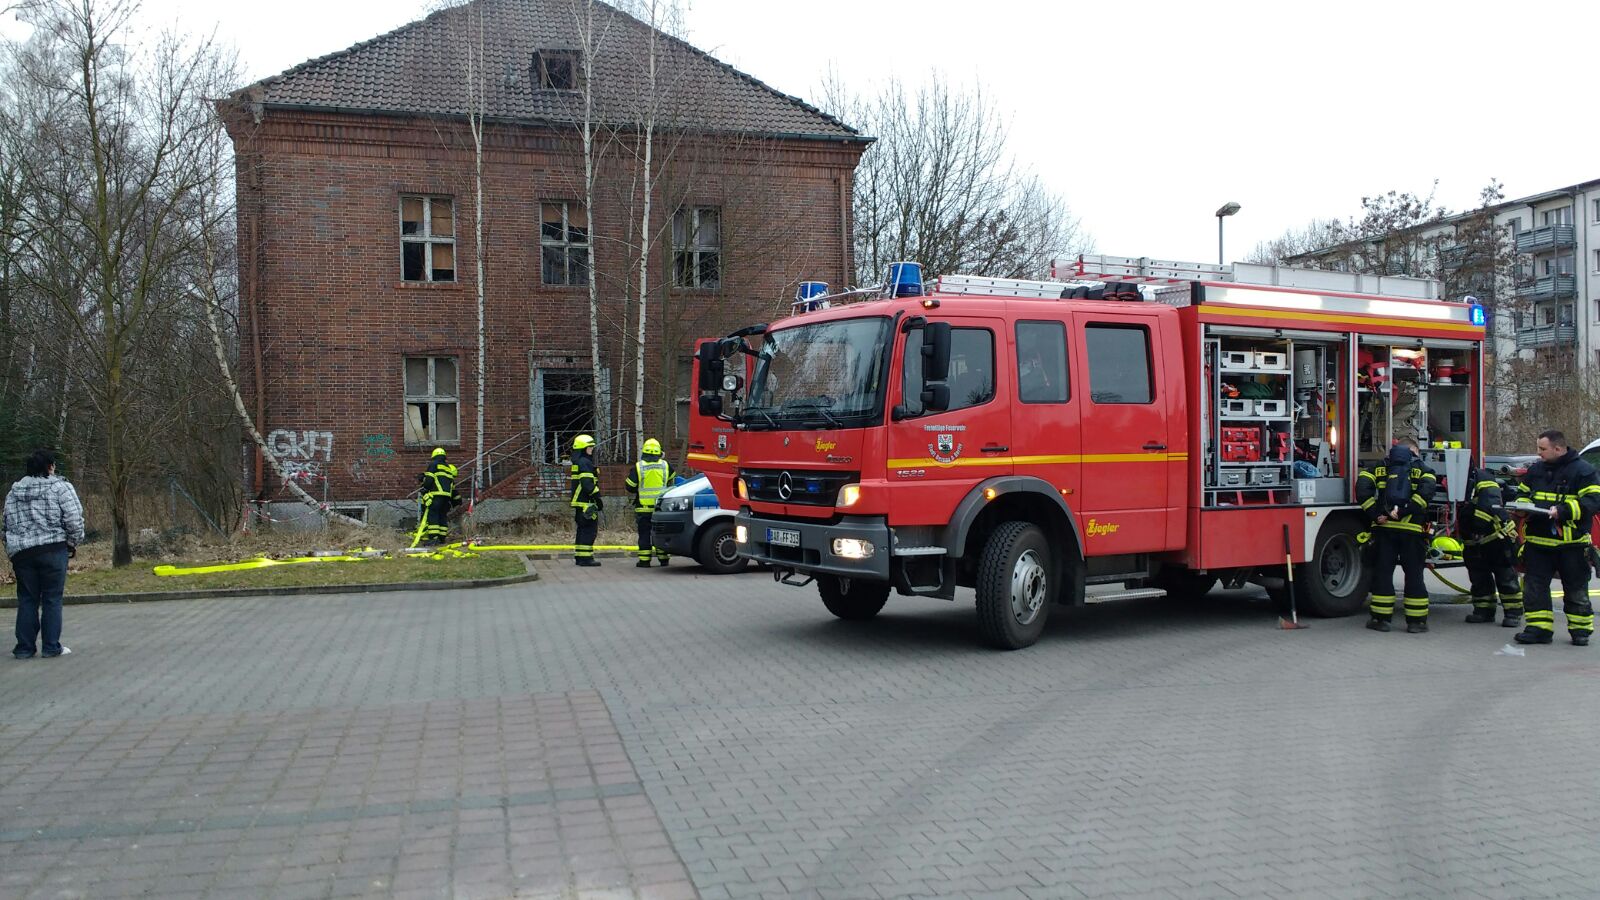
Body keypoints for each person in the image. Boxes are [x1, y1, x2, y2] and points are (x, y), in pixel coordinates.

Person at [1512, 429, 1600, 646]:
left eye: (1543, 449)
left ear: (1558, 449)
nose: (1539, 453)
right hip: (1538, 542)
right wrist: (1520, 507)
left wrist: (1563, 511)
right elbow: (1523, 492)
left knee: (1576, 588)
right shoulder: (1536, 470)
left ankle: (1580, 630)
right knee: (1534, 587)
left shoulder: (1584, 471)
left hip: (1571, 543)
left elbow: (1593, 501)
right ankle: (1538, 629)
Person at [6, 449, 85, 660]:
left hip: (22, 553)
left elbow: (6, 524)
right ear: (50, 467)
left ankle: (24, 648)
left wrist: (13, 547)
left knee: (27, 599)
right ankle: (51, 647)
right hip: (53, 549)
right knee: (52, 598)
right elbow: (74, 519)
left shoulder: (14, 492)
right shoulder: (61, 488)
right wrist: (72, 543)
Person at [1357, 443, 1438, 633]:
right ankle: (1416, 622)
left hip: (1384, 530)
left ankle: (1381, 620)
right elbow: (1426, 495)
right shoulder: (1424, 470)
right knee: (1414, 575)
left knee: (1383, 574)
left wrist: (1375, 513)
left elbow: (1362, 489)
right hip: (1413, 531)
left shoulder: (1378, 467)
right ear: (1414, 453)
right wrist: (1403, 512)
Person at [1460, 461, 1523, 627]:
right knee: (1479, 576)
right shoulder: (1452, 481)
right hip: (1474, 540)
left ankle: (1513, 613)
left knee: (1505, 576)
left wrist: (1478, 528)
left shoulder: (1483, 477)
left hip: (1496, 536)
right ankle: (1483, 611)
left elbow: (1488, 502)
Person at [625, 438, 672, 567]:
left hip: (643, 509)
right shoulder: (665, 465)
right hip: (660, 508)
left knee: (645, 534)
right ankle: (664, 559)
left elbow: (629, 486)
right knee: (661, 533)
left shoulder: (639, 467)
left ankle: (645, 561)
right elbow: (672, 478)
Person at [410, 448, 460, 548]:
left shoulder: (434, 464)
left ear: (433, 456)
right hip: (446, 497)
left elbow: (430, 479)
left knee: (433, 515)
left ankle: (433, 539)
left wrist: (425, 488)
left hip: (436, 495)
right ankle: (442, 538)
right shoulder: (448, 468)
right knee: (442, 516)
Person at [570, 433, 602, 567]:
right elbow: (588, 484)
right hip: (586, 502)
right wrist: (597, 498)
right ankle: (586, 558)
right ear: (583, 448)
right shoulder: (585, 462)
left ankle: (580, 556)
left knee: (582, 530)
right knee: (589, 530)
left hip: (580, 502)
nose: (592, 450)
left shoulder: (578, 462)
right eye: (590, 447)